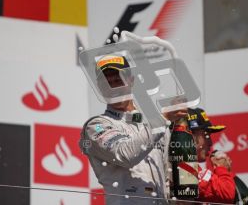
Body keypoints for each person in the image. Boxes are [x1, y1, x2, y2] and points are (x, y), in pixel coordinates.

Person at [79, 55, 187, 205]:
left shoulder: (154, 123)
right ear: (99, 86)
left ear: (131, 80)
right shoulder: (96, 126)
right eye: (106, 83)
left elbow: (166, 177)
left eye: (118, 81)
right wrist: (162, 119)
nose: (113, 88)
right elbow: (125, 155)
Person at [183, 107, 248, 204]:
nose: (210, 143)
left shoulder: (188, 164)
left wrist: (226, 173)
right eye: (206, 135)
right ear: (191, 136)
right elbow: (227, 194)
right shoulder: (183, 165)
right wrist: (222, 169)